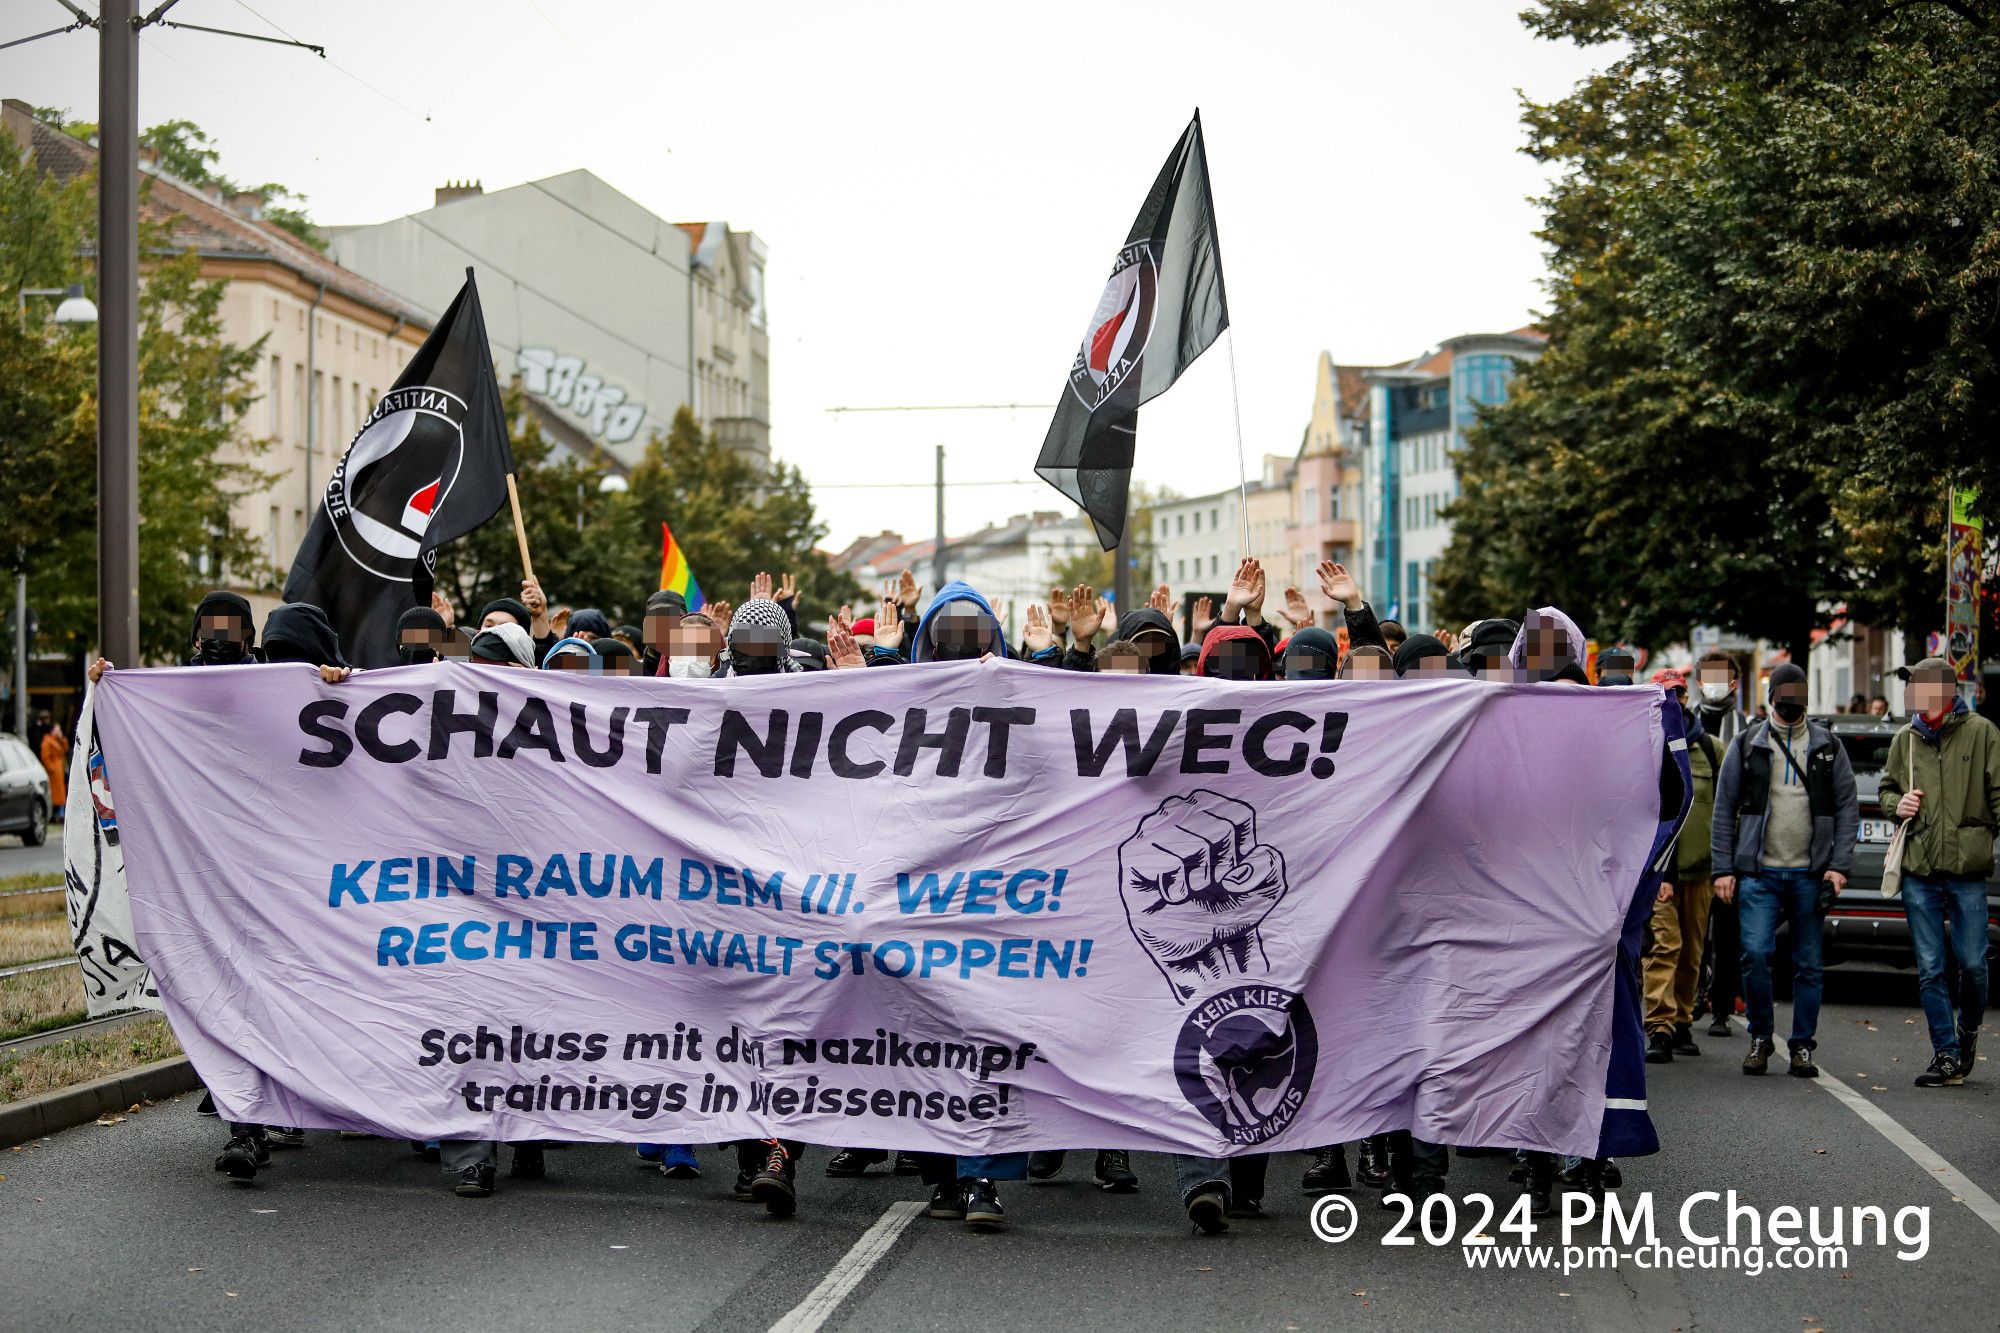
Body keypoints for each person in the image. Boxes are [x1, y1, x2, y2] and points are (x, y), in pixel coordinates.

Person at [1712, 662, 1858, 1079]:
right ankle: (1761, 1037)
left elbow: (1847, 806)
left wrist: (1838, 866)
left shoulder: (1828, 746)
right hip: (1759, 873)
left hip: (1810, 875)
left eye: (1799, 693)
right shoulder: (1747, 745)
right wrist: (1723, 867)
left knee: (1809, 964)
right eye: (1786, 693)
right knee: (1755, 954)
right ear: (1772, 696)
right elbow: (1724, 809)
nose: (1792, 702)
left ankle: (1801, 1046)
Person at [1876, 657, 2000, 1088]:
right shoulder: (1905, 740)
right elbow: (1887, 790)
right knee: (1930, 967)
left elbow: (1999, 795)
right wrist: (1897, 805)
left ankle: (1966, 1033)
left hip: (1967, 868)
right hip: (1919, 868)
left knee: (1973, 964)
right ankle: (1945, 1054)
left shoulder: (1983, 733)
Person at [1645, 670, 1719, 1063]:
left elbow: (1727, 811)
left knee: (1692, 952)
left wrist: (1725, 867)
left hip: (1700, 870)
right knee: (1664, 947)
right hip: (1660, 868)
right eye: (1666, 693)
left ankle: (1684, 1021)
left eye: (1679, 694)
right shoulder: (1647, 744)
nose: (1674, 701)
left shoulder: (1710, 749)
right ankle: (1660, 1026)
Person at [1690, 651, 1746, 1036]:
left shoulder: (1746, 726)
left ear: (1733, 683)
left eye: (1719, 676)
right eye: (1705, 676)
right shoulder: (1685, 720)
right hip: (1693, 843)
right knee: (1691, 931)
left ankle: (1722, 1007)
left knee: (1726, 932)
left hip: (1732, 843)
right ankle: (1691, 997)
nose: (1711, 683)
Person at [36, 713, 66, 819]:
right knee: (55, 794)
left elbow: (65, 749)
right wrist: (51, 768)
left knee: (60, 793)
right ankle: (55, 814)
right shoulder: (48, 740)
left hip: (58, 769)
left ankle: (58, 813)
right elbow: (45, 757)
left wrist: (61, 737)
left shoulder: (56, 740)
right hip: (54, 771)